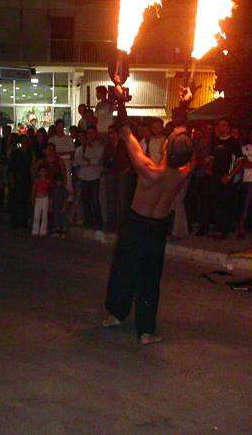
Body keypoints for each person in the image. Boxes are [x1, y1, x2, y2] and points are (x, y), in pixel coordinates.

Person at [103, 109, 194, 345]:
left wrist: (121, 100)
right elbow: (186, 144)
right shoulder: (184, 173)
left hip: (136, 224)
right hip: (158, 228)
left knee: (123, 269)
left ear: (165, 149)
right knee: (149, 278)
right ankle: (145, 331)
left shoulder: (148, 171)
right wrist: (184, 109)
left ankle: (116, 314)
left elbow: (125, 132)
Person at [197, 117, 241, 239]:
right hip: (213, 176)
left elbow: (239, 161)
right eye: (219, 125)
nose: (220, 127)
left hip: (226, 176)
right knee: (209, 201)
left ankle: (223, 230)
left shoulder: (234, 142)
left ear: (228, 128)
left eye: (223, 125)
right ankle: (205, 228)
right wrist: (208, 168)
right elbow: (212, 157)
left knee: (224, 203)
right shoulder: (215, 141)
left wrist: (230, 175)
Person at [74, 126, 104, 235]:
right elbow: (78, 161)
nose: (89, 135)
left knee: (95, 200)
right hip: (83, 177)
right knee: (85, 200)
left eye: (92, 133)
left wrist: (87, 161)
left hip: (94, 177)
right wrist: (88, 161)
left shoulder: (99, 147)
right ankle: (88, 222)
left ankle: (98, 223)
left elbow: (96, 160)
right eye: (88, 133)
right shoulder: (80, 149)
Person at [103, 126, 132, 232]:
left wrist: (125, 171)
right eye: (109, 133)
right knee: (111, 199)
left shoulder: (124, 145)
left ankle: (122, 224)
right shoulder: (108, 146)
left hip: (122, 174)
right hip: (111, 174)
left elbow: (129, 160)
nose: (111, 135)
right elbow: (105, 160)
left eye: (113, 132)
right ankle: (112, 223)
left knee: (122, 199)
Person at [7, 137, 31, 229]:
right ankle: (15, 221)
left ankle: (23, 221)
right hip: (17, 179)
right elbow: (11, 167)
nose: (25, 143)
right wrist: (11, 178)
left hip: (26, 179)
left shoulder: (29, 153)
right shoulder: (16, 153)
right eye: (23, 141)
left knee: (24, 201)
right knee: (15, 200)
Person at [49, 119, 75, 201]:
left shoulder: (68, 138)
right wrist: (64, 154)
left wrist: (60, 154)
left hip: (67, 164)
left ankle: (68, 201)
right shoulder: (52, 139)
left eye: (61, 126)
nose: (60, 128)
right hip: (55, 165)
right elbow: (51, 153)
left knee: (68, 183)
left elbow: (72, 153)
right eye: (58, 126)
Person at [31, 166, 53, 237]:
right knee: (36, 215)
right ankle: (35, 230)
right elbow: (34, 190)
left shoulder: (48, 181)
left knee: (44, 215)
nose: (42, 173)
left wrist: (50, 203)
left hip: (45, 198)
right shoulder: (37, 181)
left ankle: (43, 231)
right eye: (41, 171)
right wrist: (33, 199)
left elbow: (50, 191)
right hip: (38, 198)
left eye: (44, 171)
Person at [51, 174, 69, 239]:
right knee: (56, 219)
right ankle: (57, 232)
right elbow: (52, 198)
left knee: (63, 219)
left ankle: (64, 232)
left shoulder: (64, 190)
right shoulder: (54, 190)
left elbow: (65, 200)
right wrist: (51, 206)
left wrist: (64, 207)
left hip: (61, 207)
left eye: (59, 181)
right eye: (57, 181)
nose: (58, 183)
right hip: (56, 207)